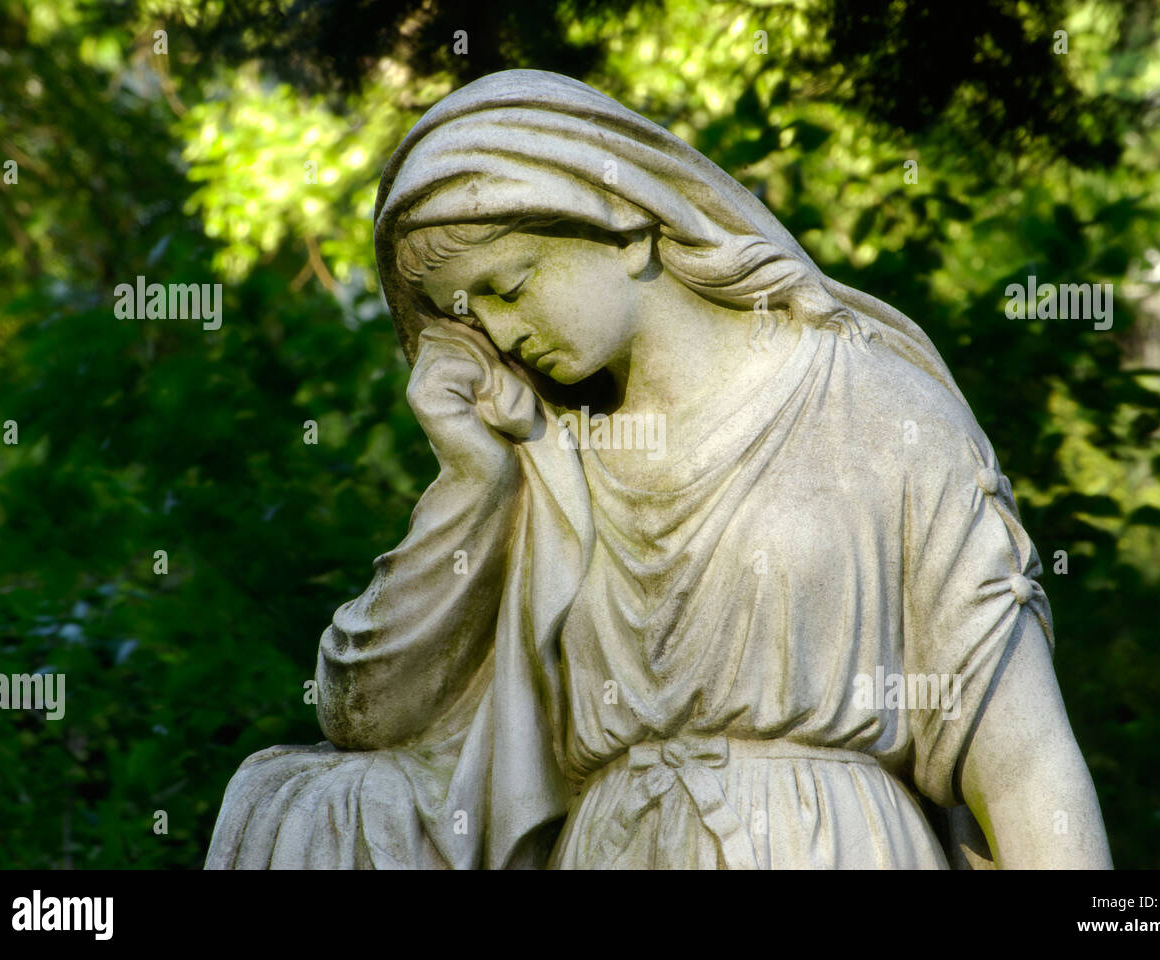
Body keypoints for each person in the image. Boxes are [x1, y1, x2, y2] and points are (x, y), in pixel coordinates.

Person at [206, 69, 1111, 869]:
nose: (500, 330)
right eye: (469, 309)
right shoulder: (547, 461)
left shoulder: (875, 409)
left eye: (511, 284)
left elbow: (1023, 762)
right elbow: (364, 717)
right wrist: (474, 481)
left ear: (624, 223)